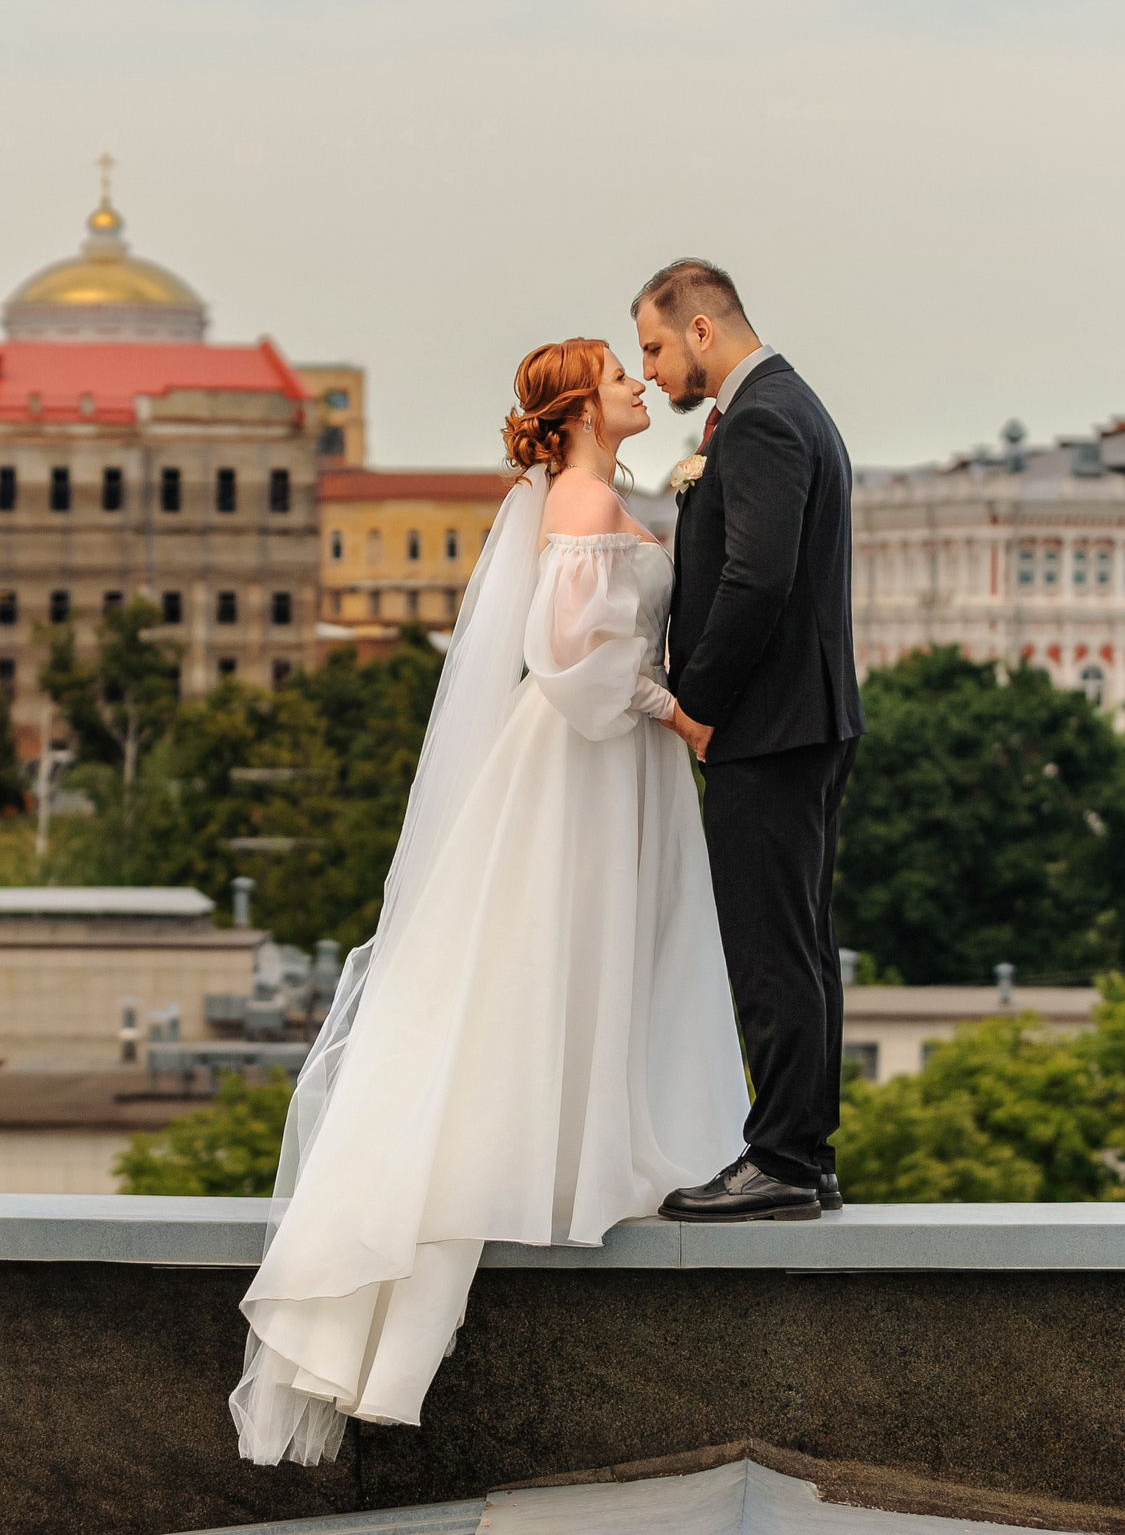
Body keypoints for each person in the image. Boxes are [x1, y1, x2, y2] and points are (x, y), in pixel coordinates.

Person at [230, 338, 748, 1467]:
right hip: (585, 760)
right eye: (618, 374)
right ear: (576, 408)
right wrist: (674, 712)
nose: (638, 384)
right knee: (552, 959)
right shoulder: (578, 495)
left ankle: (580, 1153)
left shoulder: (594, 490)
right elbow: (566, 658)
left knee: (568, 960)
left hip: (605, 763)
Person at [634, 258, 864, 1225]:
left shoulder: (764, 416)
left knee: (772, 949)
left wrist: (697, 703)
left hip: (766, 728)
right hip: (803, 721)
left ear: (700, 330)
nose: (648, 371)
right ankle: (804, 1155)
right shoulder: (787, 403)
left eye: (653, 346)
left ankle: (779, 1159)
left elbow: (756, 580)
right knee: (802, 942)